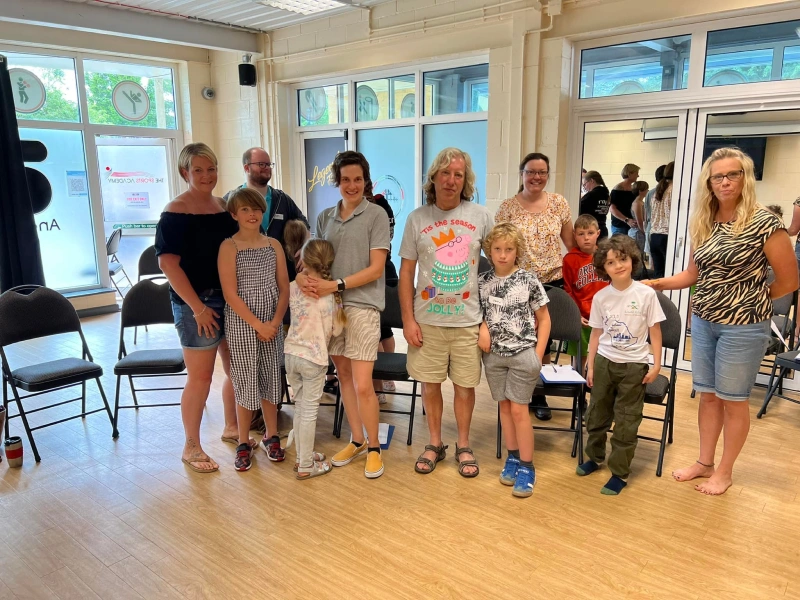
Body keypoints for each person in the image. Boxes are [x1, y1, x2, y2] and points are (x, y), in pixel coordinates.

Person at [648, 147, 797, 495]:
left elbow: (790, 281)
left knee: (733, 399)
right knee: (709, 397)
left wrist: (749, 302)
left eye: (733, 174)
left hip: (744, 326)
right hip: (703, 321)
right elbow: (691, 275)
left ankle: (725, 471)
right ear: (709, 182)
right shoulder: (704, 220)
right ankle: (705, 462)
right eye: (718, 176)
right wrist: (654, 283)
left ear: (745, 178)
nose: (725, 181)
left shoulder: (764, 223)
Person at [399, 147, 493, 477]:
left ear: (465, 180)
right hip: (427, 321)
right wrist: (408, 319)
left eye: (458, 174)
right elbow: (405, 274)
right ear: (434, 177)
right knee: (430, 384)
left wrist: (487, 323)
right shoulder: (417, 219)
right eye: (445, 173)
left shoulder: (480, 216)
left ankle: (463, 445)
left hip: (468, 320)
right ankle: (435, 443)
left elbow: (497, 273)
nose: (451, 180)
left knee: (466, 387)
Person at [298, 151, 390, 479]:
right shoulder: (324, 218)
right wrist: (304, 278)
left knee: (364, 383)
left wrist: (335, 284)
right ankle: (357, 439)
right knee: (345, 378)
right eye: (346, 179)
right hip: (333, 309)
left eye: (358, 179)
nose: (352, 185)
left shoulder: (376, 215)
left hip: (363, 307)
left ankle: (376, 447)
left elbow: (376, 268)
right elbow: (314, 261)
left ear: (366, 182)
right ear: (337, 182)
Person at [155, 143, 239, 474]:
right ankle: (191, 446)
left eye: (211, 169)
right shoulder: (174, 212)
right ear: (184, 173)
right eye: (199, 170)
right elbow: (168, 265)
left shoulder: (224, 207)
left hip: (230, 300)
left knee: (237, 368)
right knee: (200, 377)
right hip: (196, 304)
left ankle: (232, 427)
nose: (206, 176)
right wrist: (198, 308)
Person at [577, 235, 665, 495]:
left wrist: (656, 364)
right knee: (596, 413)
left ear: (632, 260)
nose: (618, 266)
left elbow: (655, 330)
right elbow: (595, 333)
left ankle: (619, 473)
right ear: (603, 268)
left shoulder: (646, 294)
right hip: (604, 362)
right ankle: (594, 457)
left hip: (634, 366)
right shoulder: (601, 297)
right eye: (611, 262)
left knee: (627, 420)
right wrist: (591, 366)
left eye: (622, 259)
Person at [495, 152, 574, 421]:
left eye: (541, 172)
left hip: (552, 282)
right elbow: (501, 246)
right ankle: (519, 394)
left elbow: (571, 244)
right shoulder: (507, 207)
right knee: (519, 340)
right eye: (531, 172)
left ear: (547, 175)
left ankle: (538, 394)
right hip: (516, 285)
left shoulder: (559, 204)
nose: (536, 177)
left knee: (545, 343)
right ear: (522, 174)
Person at [218, 188, 289, 471]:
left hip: (272, 320)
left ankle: (272, 436)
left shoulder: (274, 245)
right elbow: (230, 293)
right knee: (246, 380)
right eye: (245, 210)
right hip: (242, 322)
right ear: (234, 214)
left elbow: (284, 287)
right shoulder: (229, 246)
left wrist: (273, 323)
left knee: (271, 376)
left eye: (256, 209)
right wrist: (257, 324)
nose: (251, 214)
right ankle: (244, 441)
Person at [478, 223, 551, 498]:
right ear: (490, 251)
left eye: (509, 249)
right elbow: (478, 314)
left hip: (523, 355)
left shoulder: (528, 280)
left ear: (517, 251)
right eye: (497, 249)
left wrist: (538, 354)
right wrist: (482, 327)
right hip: (494, 357)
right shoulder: (482, 282)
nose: (503, 255)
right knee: (505, 409)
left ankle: (527, 466)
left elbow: (544, 319)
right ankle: (512, 456)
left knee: (520, 411)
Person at [284, 239, 346, 479]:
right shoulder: (332, 294)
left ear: (304, 259)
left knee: (300, 408)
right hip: (314, 358)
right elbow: (338, 330)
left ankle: (302, 456)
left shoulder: (292, 286)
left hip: (291, 354)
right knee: (309, 412)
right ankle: (306, 465)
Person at [225, 147, 310, 282]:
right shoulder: (231, 200)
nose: (266, 168)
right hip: (248, 279)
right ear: (246, 168)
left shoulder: (282, 199)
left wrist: (306, 248)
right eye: (261, 164)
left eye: (269, 164)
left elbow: (305, 223)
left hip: (283, 277)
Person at [562, 214, 608, 374]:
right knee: (580, 361)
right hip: (582, 317)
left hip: (605, 317)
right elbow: (568, 290)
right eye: (581, 234)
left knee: (602, 358)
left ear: (598, 233)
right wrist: (575, 314)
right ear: (574, 236)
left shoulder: (606, 256)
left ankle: (598, 393)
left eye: (590, 233)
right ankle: (580, 395)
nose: (586, 238)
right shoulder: (570, 259)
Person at [370, 192, 399, 404]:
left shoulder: (377, 205)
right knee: (382, 328)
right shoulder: (382, 203)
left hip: (378, 271)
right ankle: (386, 380)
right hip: (386, 269)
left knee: (378, 328)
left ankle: (381, 383)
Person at [649, 161, 674, 279]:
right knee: (669, 275)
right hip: (667, 235)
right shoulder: (675, 190)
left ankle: (656, 297)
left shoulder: (658, 191)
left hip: (654, 235)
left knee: (658, 275)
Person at [609, 163, 640, 236]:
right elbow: (612, 209)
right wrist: (627, 220)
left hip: (631, 226)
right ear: (630, 173)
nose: (638, 176)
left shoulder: (634, 189)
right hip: (620, 226)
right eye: (636, 173)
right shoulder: (618, 189)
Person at [580, 170, 610, 239]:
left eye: (585, 184)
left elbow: (579, 210)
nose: (585, 187)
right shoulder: (606, 194)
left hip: (592, 229)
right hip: (603, 229)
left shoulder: (591, 195)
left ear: (592, 181)